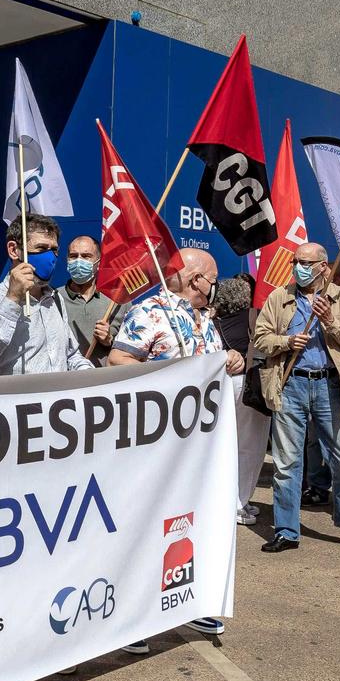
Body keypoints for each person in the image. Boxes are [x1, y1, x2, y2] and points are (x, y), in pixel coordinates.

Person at [108, 248, 246, 643]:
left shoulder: (203, 318)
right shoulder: (149, 311)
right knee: (146, 525)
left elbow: (210, 361)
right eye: (212, 277)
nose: (216, 285)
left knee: (190, 527)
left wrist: (231, 357)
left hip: (198, 449)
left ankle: (192, 603)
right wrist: (170, 379)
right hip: (154, 446)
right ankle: (133, 617)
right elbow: (117, 360)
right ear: (194, 278)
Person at [252, 244, 340, 554]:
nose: (298, 266)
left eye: (306, 262)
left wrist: (331, 320)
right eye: (296, 261)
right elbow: (261, 340)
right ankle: (286, 530)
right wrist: (287, 341)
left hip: (329, 387)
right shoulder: (280, 297)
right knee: (287, 463)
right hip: (290, 385)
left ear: (322, 266)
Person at [0, 214, 95, 375]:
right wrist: (12, 300)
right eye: (41, 248)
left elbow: (70, 355)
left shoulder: (55, 299)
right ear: (13, 250)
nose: (50, 257)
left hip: (56, 399)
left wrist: (89, 376)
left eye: (54, 250)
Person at [212, 275, 264, 526]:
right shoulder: (253, 319)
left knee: (227, 445)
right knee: (249, 446)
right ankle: (238, 503)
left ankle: (232, 500)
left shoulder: (213, 321)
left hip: (222, 387)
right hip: (247, 385)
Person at [58, 234, 117, 363]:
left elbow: (130, 349)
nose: (79, 261)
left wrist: (109, 340)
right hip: (66, 378)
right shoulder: (53, 299)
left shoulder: (116, 301)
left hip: (105, 379)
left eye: (86, 256)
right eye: (73, 256)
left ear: (99, 262)